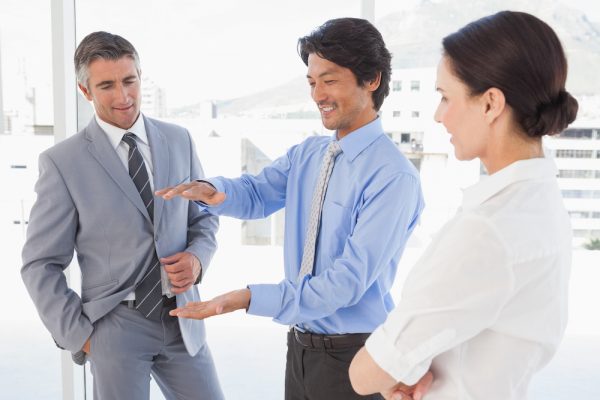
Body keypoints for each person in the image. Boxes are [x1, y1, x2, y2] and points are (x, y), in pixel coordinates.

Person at [157, 18, 428, 400]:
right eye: (312, 82)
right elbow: (257, 192)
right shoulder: (309, 155)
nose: (318, 95)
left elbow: (345, 284)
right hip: (300, 351)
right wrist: (212, 191)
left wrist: (248, 298)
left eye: (330, 80)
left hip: (357, 356)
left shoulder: (393, 177)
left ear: (372, 80)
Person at [348, 10, 578, 400]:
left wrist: (389, 372)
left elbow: (365, 374)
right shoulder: (540, 201)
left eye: (445, 97)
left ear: (490, 104)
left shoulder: (487, 230)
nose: (439, 116)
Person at [21, 32, 224, 400]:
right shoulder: (63, 163)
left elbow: (204, 218)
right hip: (114, 325)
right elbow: (40, 263)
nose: (123, 96)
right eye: (107, 85)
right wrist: (78, 336)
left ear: (140, 76)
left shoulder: (180, 140)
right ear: (86, 92)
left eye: (129, 81)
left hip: (183, 318)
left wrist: (197, 259)